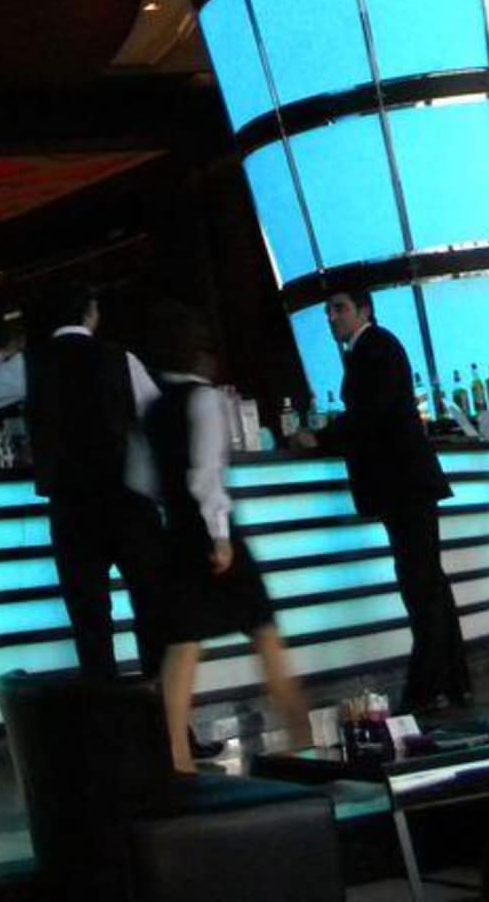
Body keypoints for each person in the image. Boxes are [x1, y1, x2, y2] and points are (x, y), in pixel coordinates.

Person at [0, 283, 164, 682]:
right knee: (151, 610)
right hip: (130, 501)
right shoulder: (121, 359)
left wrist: (2, 353)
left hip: (72, 507)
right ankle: (163, 711)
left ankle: (106, 715)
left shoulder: (31, 364)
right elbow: (157, 418)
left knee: (90, 623)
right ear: (91, 313)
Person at [145, 306, 309, 773]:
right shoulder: (205, 400)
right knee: (264, 631)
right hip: (212, 530)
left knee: (183, 644)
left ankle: (176, 757)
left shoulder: (153, 408)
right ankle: (301, 740)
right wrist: (219, 536)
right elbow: (206, 474)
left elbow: (144, 478)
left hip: (176, 532)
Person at [305, 288, 471, 712]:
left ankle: (425, 688)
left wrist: (321, 437)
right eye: (328, 311)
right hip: (408, 482)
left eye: (339, 308)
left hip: (403, 483)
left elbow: (370, 413)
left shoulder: (374, 348)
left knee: (420, 584)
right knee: (429, 582)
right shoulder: (375, 347)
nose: (331, 317)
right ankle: (452, 681)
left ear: (364, 310)